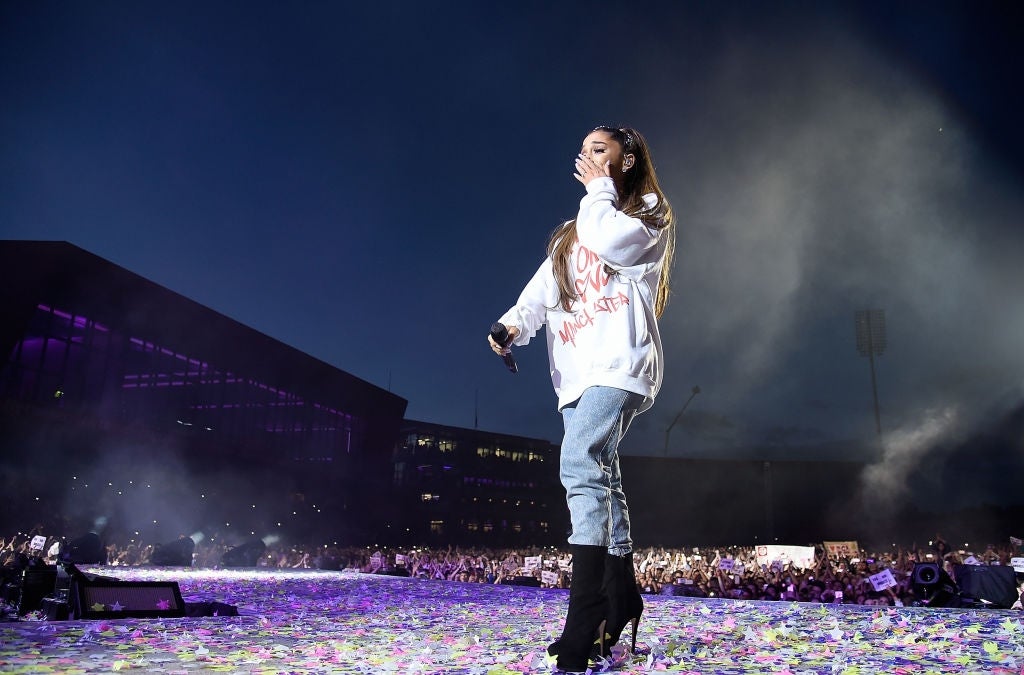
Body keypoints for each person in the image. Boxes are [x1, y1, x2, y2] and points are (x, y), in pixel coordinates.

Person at [489, 125, 675, 673]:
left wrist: (598, 191)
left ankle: (585, 614)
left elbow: (610, 241)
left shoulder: (646, 213)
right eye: (584, 150)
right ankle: (621, 598)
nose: (588, 157)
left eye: (601, 149)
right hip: (574, 373)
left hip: (619, 363)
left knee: (578, 463)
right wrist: (510, 326)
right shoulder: (575, 231)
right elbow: (542, 290)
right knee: (604, 476)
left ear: (629, 156)